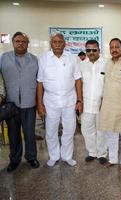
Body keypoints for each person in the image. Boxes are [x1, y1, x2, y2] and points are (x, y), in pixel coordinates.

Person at [37, 33, 83, 167]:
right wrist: (40, 104)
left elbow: (78, 80)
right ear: (51, 44)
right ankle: (54, 156)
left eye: (60, 42)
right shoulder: (43, 59)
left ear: (65, 44)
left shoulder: (72, 58)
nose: (57, 44)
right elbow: (39, 82)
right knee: (51, 131)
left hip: (69, 101)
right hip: (50, 102)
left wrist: (79, 100)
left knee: (69, 130)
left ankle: (67, 156)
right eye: (55, 42)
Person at [0, 32, 40, 172]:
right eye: (17, 41)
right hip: (11, 104)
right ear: (13, 43)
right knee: (13, 134)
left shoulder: (35, 60)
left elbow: (40, 81)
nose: (20, 43)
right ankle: (15, 159)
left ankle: (31, 157)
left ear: (28, 44)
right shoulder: (4, 58)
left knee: (29, 133)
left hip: (29, 103)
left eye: (23, 41)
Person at [98, 38, 121, 171]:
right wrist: (102, 103)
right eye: (111, 47)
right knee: (111, 134)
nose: (114, 49)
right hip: (108, 105)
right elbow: (105, 84)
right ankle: (113, 159)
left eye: (117, 47)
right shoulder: (108, 63)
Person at [80, 40, 107, 164]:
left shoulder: (106, 63)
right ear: (86, 51)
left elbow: (109, 84)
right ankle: (92, 152)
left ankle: (102, 153)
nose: (91, 52)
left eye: (94, 50)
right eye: (88, 50)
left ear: (99, 50)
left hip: (102, 104)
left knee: (101, 130)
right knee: (86, 129)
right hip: (86, 105)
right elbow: (78, 85)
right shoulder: (81, 65)